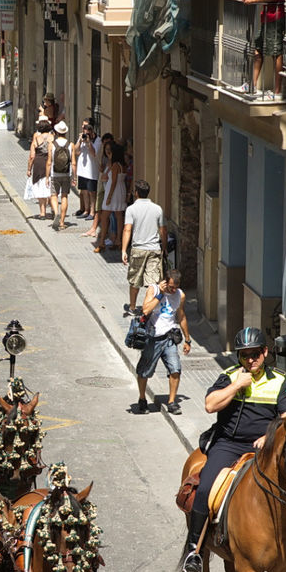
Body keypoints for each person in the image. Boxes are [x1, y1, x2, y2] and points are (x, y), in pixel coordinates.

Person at [181, 327, 286, 572]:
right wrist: (236, 386)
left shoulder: (278, 380)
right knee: (204, 488)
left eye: (255, 354)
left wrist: (269, 436)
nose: (250, 360)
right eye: (244, 355)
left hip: (264, 446)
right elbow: (210, 405)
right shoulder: (229, 376)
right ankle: (195, 549)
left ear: (265, 352)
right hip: (228, 444)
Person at [135, 270, 191, 416]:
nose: (173, 290)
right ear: (165, 282)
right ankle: (142, 399)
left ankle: (171, 402)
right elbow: (145, 310)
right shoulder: (153, 290)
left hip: (170, 338)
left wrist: (187, 339)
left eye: (175, 288)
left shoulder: (180, 295)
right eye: (170, 287)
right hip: (152, 337)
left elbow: (181, 316)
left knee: (175, 369)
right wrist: (160, 294)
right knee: (144, 371)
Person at [121, 179, 166, 315]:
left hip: (138, 249)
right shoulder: (158, 209)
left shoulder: (131, 209)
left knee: (135, 280)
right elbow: (163, 230)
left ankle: (133, 307)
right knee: (153, 282)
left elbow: (127, 229)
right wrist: (164, 247)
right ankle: (150, 308)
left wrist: (124, 250)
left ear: (136, 193)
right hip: (154, 249)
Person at [93, 141, 126, 252]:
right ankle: (118, 240)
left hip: (114, 191)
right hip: (119, 191)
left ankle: (102, 242)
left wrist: (109, 197)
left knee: (105, 216)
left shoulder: (116, 165)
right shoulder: (121, 164)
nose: (108, 153)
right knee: (118, 215)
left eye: (110, 151)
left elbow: (113, 182)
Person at [72, 118, 101, 219]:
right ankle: (86, 210)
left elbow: (94, 154)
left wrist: (89, 142)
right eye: (83, 126)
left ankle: (92, 212)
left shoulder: (97, 140)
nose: (83, 128)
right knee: (84, 191)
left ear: (91, 128)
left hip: (92, 170)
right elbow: (75, 152)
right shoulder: (82, 138)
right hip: (82, 170)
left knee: (92, 192)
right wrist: (80, 140)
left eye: (85, 127)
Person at [26, 116, 53, 219]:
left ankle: (42, 212)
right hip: (51, 164)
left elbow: (32, 156)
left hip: (39, 164)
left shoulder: (36, 139)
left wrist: (29, 169)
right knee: (52, 188)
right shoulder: (53, 138)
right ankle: (54, 210)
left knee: (40, 187)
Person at [49, 120, 72, 230]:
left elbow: (49, 161)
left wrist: (47, 176)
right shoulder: (70, 145)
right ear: (65, 132)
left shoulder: (52, 145)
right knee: (64, 196)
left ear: (57, 132)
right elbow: (74, 163)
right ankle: (62, 222)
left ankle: (56, 212)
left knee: (53, 195)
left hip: (54, 174)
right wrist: (75, 177)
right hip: (66, 174)